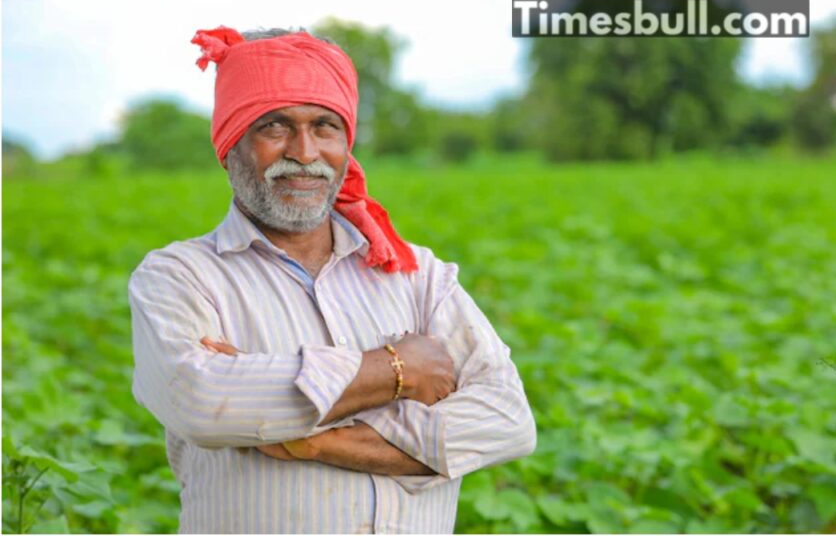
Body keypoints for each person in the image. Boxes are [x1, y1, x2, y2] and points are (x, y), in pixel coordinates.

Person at [128, 26, 537, 534]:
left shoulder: (416, 274)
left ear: (346, 143)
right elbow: (202, 402)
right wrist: (397, 370)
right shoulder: (179, 277)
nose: (304, 152)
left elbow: (508, 420)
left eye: (324, 126)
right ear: (231, 146)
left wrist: (316, 440)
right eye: (274, 126)